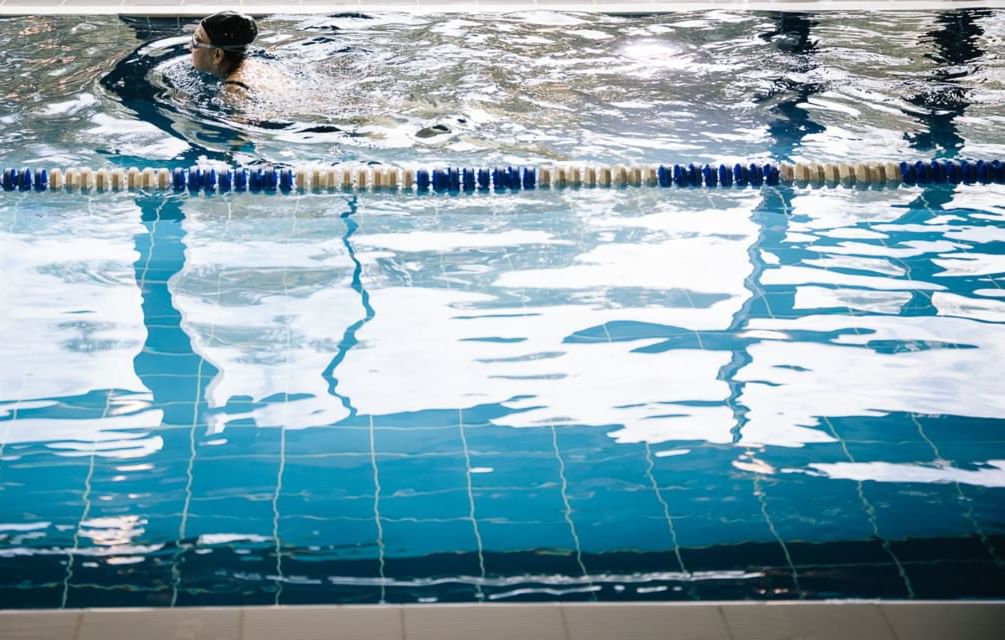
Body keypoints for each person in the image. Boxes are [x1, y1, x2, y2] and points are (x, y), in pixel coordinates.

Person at [190, 11, 259, 91]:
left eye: (196, 41)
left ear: (217, 55)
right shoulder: (256, 68)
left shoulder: (233, 91)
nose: (190, 46)